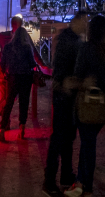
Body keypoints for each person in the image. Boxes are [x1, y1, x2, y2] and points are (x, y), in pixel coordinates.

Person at [64, 15, 105, 197]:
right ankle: (81, 183)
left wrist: (75, 82)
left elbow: (78, 74)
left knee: (88, 144)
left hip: (87, 104)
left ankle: (84, 187)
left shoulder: (86, 48)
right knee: (89, 143)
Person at [42, 14, 86, 196]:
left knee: (66, 137)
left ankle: (64, 175)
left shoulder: (69, 39)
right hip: (65, 95)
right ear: (76, 22)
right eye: (84, 21)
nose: (86, 24)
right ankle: (50, 180)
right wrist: (66, 82)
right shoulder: (71, 41)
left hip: (66, 94)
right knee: (61, 137)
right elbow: (63, 68)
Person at [0, 16, 49, 118]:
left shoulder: (7, 37)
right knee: (8, 98)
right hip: (10, 72)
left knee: (7, 98)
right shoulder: (19, 37)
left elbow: (33, 50)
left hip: (6, 71)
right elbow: (33, 51)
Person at [0, 26, 37, 142]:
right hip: (25, 77)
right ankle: (22, 127)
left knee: (9, 102)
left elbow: (2, 63)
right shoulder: (27, 47)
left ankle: (2, 128)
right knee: (24, 103)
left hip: (12, 77)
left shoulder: (8, 47)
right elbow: (32, 63)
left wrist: (6, 71)